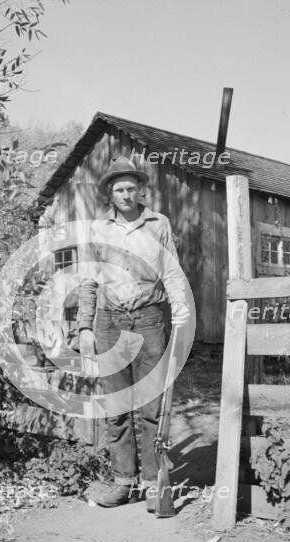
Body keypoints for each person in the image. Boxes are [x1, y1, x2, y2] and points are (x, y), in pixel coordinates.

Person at [78, 156, 190, 510]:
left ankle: (153, 485)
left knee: (150, 406)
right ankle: (122, 484)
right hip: (109, 323)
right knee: (116, 407)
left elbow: (171, 272)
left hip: (149, 320)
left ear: (141, 191)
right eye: (119, 189)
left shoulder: (158, 225)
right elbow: (88, 281)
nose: (126, 195)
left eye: (131, 188)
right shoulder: (98, 230)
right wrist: (84, 327)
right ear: (110, 194)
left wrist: (182, 308)